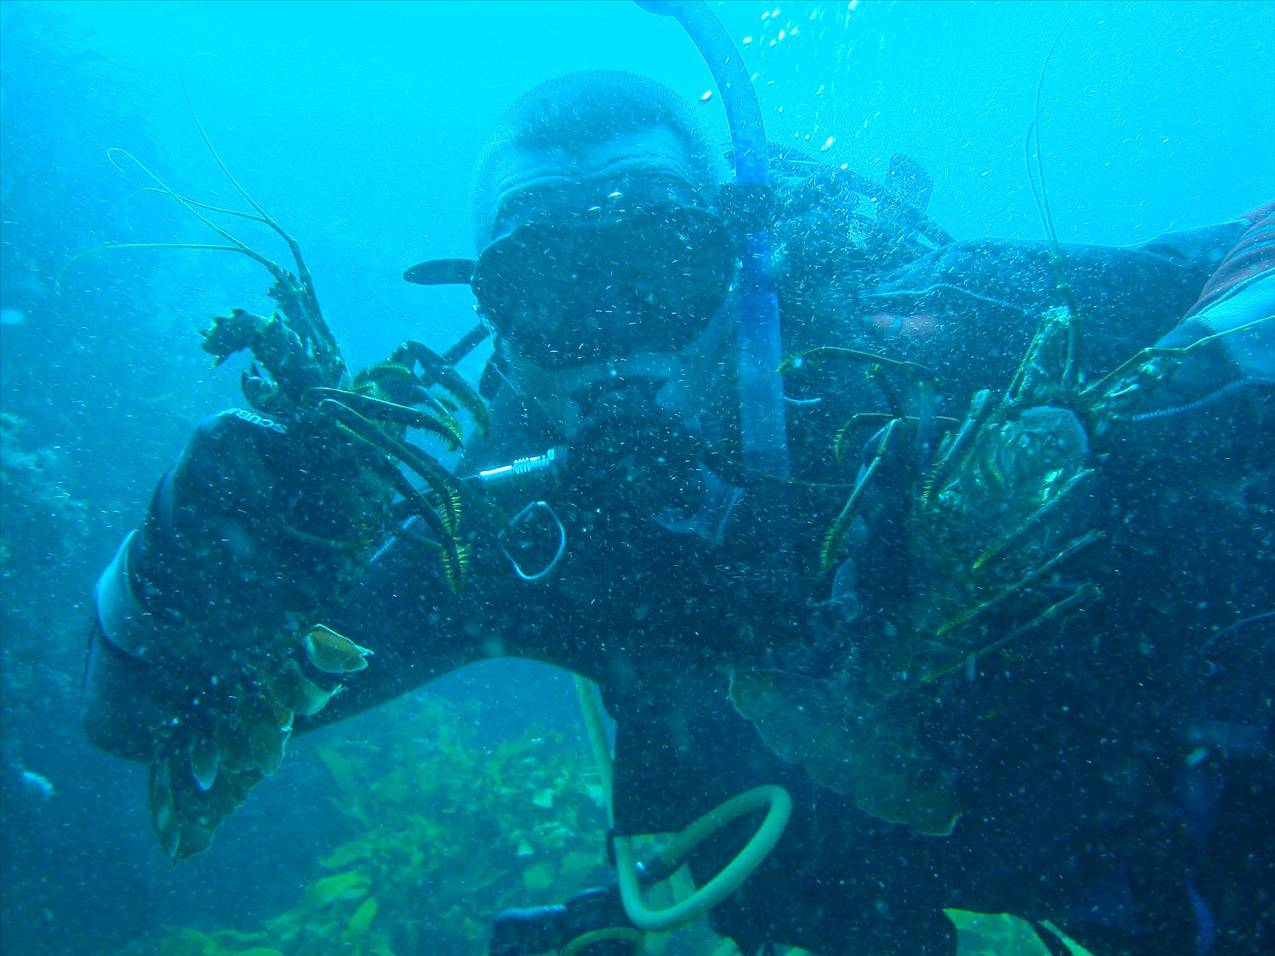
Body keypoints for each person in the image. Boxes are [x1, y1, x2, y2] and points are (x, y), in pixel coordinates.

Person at [82, 63, 1272, 956]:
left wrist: (1180, 397)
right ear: (494, 313)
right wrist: (187, 563)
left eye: (655, 269)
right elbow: (148, 718)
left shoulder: (917, 330)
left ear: (736, 262)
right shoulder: (509, 535)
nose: (615, 342)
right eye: (552, 290)